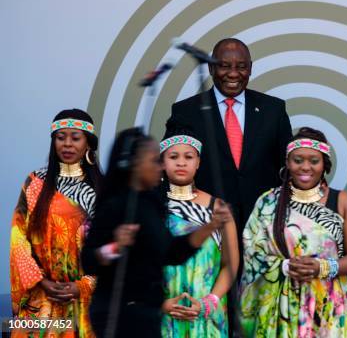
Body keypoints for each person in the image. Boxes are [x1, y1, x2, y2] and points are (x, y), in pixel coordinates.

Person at [81, 128, 234, 338]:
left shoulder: (151, 205)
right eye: (155, 161)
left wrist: (211, 225)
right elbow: (89, 262)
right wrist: (114, 247)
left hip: (147, 315)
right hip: (118, 314)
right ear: (134, 165)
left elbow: (173, 253)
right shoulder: (114, 204)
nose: (160, 166)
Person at [239, 127, 347, 337]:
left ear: (325, 164)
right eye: (298, 160)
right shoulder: (268, 202)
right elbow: (251, 252)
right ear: (288, 163)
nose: (305, 167)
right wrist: (285, 266)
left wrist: (322, 267)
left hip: (332, 307)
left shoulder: (342, 201)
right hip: (281, 308)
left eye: (314, 161)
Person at [165, 37, 292, 234]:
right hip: (206, 222)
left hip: (263, 225)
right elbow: (170, 168)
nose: (233, 74)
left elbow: (287, 167)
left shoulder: (273, 109)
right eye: (224, 66)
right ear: (211, 68)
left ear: (250, 68)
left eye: (241, 66)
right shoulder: (186, 111)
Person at [10, 109, 103, 337]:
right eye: (61, 138)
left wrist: (83, 285)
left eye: (75, 137)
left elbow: (114, 248)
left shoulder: (104, 190)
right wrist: (41, 281)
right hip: (42, 299)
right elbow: (18, 236)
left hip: (87, 303)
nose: (67, 144)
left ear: (88, 143)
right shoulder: (35, 183)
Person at [159, 130, 239, 337]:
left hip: (207, 315)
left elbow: (230, 265)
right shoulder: (151, 206)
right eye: (173, 157)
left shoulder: (217, 207)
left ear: (198, 163)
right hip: (164, 314)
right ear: (162, 163)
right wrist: (160, 303)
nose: (181, 163)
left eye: (189, 157)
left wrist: (209, 303)